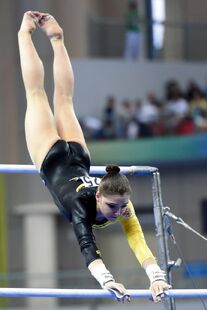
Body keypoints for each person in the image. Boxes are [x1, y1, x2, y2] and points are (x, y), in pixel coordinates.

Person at [18, 11, 170, 303]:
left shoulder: (120, 202)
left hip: (75, 156)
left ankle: (58, 40)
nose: (119, 212)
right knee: (36, 94)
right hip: (54, 156)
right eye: (114, 207)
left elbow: (138, 241)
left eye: (122, 206)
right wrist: (108, 281)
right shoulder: (81, 205)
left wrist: (157, 277)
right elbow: (87, 246)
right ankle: (25, 34)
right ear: (99, 195)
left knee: (63, 99)